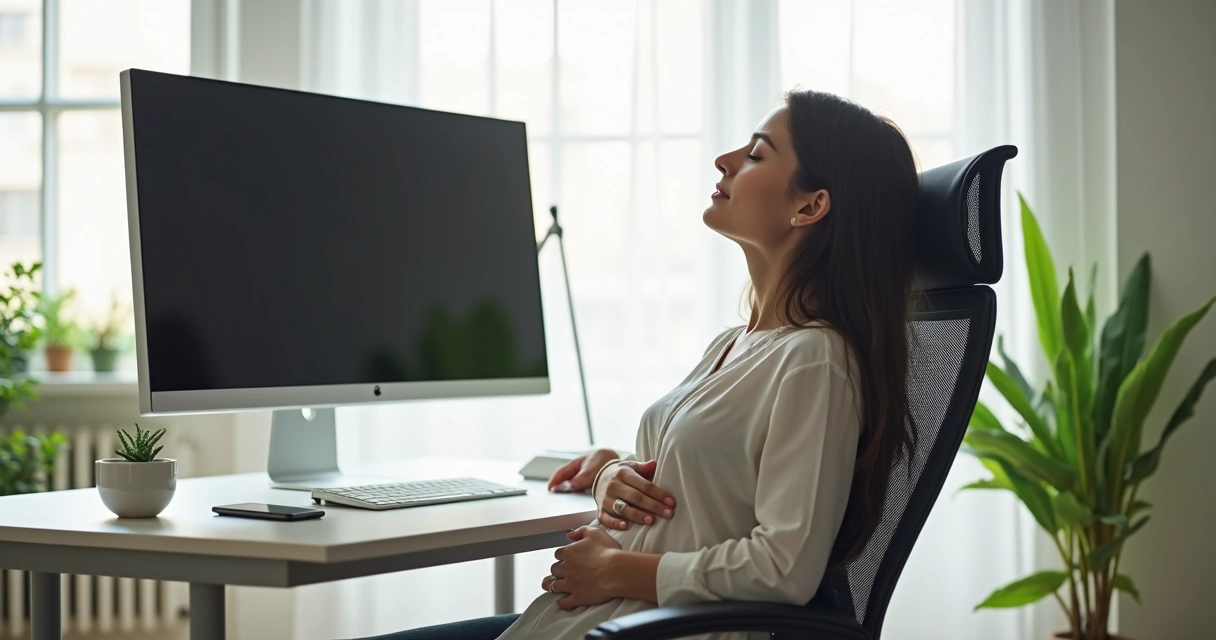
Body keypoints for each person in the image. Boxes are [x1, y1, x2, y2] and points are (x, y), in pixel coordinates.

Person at [362, 88, 920, 640]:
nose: (724, 162)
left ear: (809, 206)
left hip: (650, 626)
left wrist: (615, 569)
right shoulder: (736, 344)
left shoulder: (813, 361)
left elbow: (783, 568)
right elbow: (698, 486)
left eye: (754, 155)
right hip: (601, 618)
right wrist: (610, 472)